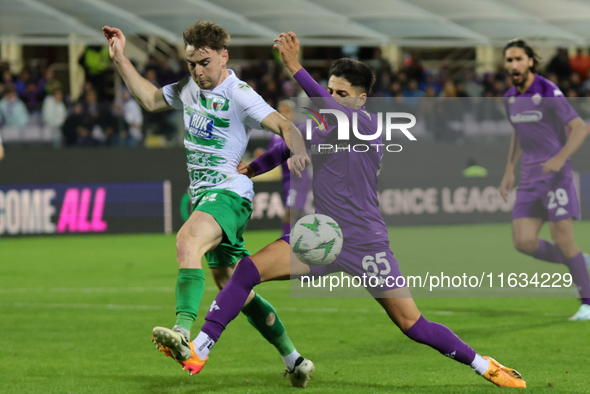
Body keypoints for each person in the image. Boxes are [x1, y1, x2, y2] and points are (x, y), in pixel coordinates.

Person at [185, 32, 527, 389]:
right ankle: (201, 348)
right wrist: (252, 169)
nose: (331, 98)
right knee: (246, 271)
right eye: (330, 90)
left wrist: (294, 67)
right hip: (324, 237)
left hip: (365, 242)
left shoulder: (365, 126)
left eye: (341, 93)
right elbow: (290, 142)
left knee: (412, 324)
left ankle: (484, 365)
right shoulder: (324, 123)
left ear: (361, 100)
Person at [102, 21, 312, 384]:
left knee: (187, 240)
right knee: (233, 286)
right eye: (191, 64)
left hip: (230, 192)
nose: (197, 71)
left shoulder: (239, 93)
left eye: (204, 62)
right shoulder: (187, 87)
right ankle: (294, 360)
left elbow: (285, 126)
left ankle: (183, 333)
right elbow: (151, 99)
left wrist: (298, 152)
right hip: (206, 194)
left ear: (223, 57)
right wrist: (120, 58)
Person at [500, 39, 590, 321]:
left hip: (555, 177)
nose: (513, 64)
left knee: (563, 239)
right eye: (509, 60)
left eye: (518, 59)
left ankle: (587, 302)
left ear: (530, 61)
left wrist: (561, 158)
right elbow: (518, 132)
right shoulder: (509, 98)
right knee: (523, 241)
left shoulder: (548, 91)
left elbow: (579, 128)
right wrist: (509, 169)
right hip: (528, 178)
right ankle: (580, 261)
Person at [259, 100, 310, 236]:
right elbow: (273, 156)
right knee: (297, 213)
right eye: (280, 111)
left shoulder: (300, 131)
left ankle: (285, 244)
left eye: (286, 111)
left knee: (290, 214)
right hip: (286, 181)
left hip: (298, 179)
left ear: (293, 114)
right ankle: (305, 240)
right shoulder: (276, 134)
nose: (283, 114)